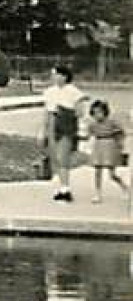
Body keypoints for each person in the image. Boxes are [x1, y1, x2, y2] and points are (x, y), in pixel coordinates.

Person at [41, 65, 89, 202]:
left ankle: (65, 188)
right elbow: (46, 111)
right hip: (52, 123)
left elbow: (80, 112)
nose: (53, 77)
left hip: (66, 124)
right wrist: (43, 130)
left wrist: (67, 113)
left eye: (56, 74)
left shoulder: (73, 92)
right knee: (55, 156)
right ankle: (61, 185)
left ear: (64, 76)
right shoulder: (49, 92)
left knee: (63, 157)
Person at [86, 99, 128, 204]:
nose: (97, 115)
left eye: (99, 112)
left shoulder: (112, 122)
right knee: (97, 171)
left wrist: (120, 145)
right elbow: (89, 135)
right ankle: (97, 193)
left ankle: (124, 187)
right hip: (98, 145)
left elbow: (121, 133)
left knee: (112, 174)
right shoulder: (92, 124)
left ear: (105, 112)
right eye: (95, 113)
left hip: (110, 145)